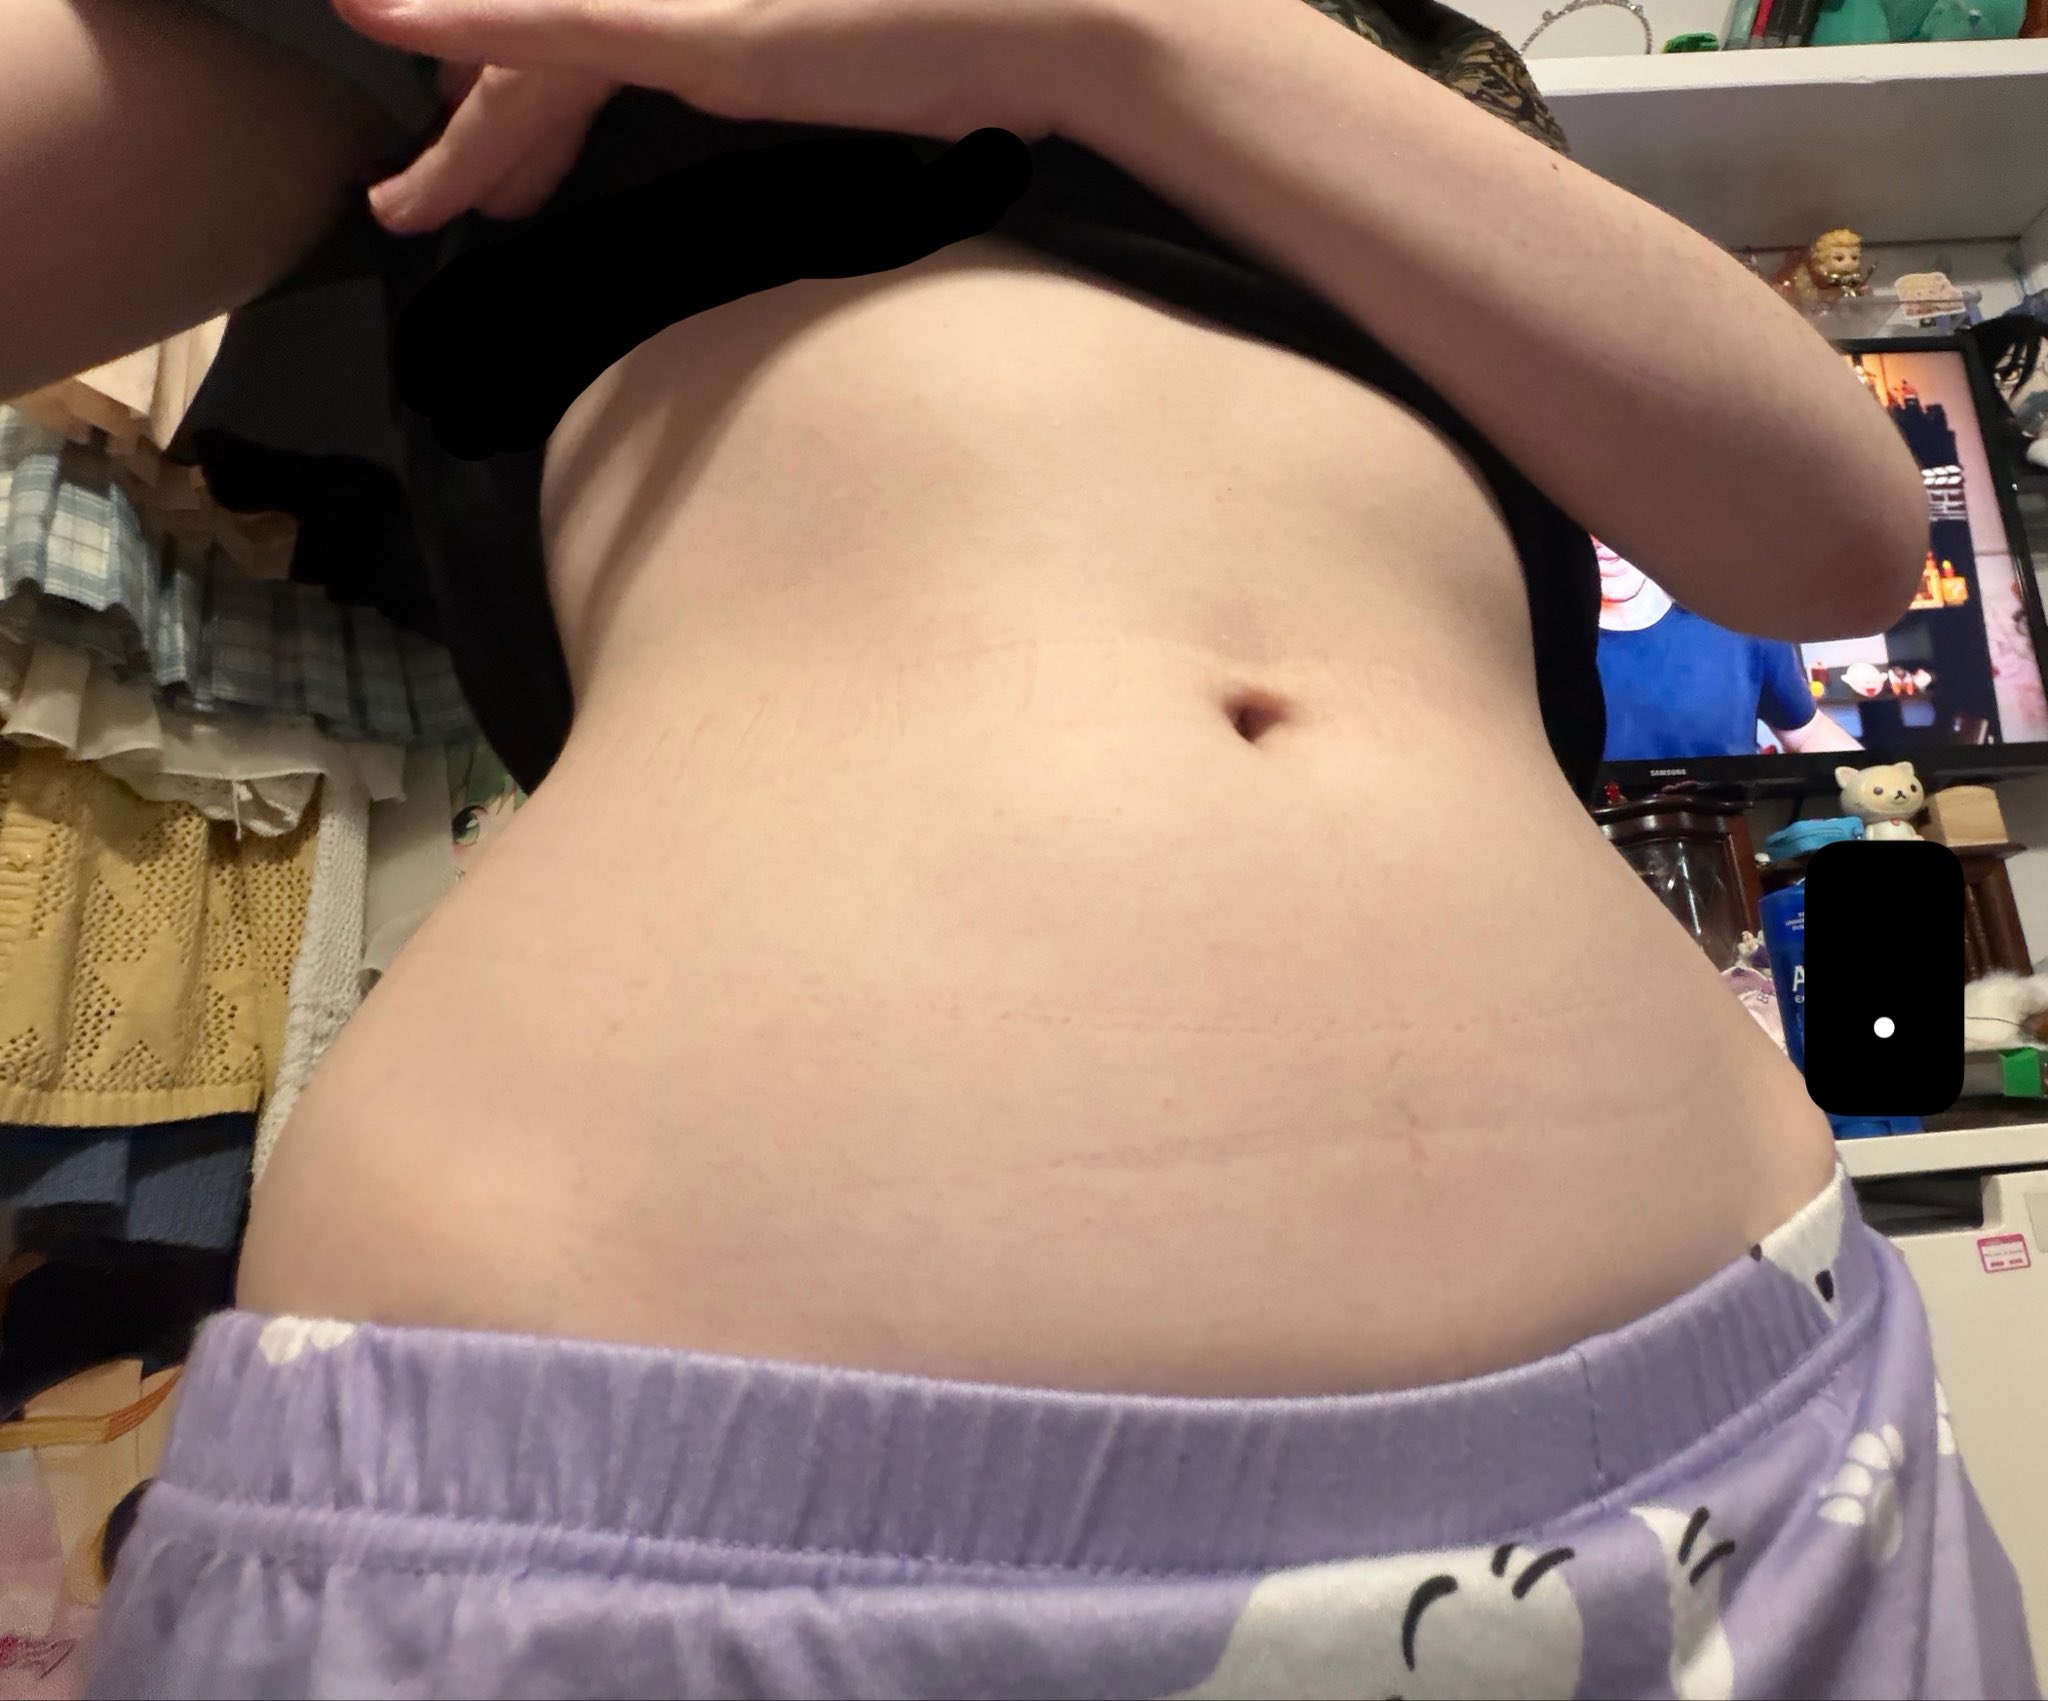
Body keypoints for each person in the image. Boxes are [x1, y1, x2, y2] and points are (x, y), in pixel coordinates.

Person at [1, 0, 2026, 1694]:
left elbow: (1833, 537)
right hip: (679, 1519)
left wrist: (1101, 35)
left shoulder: (1395, 59)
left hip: (1731, 1469)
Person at [1596, 543, 1867, 759]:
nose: (1603, 539)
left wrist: (1877, 784)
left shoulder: (1736, 617)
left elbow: (1809, 733)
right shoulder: (1568, 644)